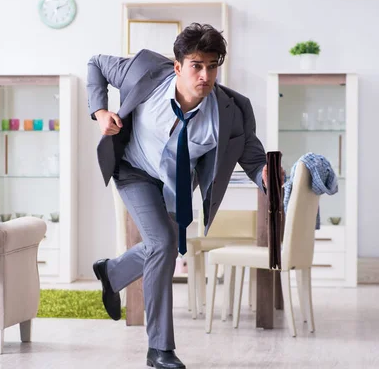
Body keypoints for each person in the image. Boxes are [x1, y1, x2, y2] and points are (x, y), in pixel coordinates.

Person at [87, 23, 276, 369]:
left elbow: (253, 157)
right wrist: (100, 112)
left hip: (176, 185)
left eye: (212, 66)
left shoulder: (231, 111)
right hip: (133, 170)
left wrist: (266, 175)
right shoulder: (144, 71)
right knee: (162, 244)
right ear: (178, 66)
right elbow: (96, 63)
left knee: (165, 244)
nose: (205, 75)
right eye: (196, 66)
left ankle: (112, 272)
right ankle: (159, 349)